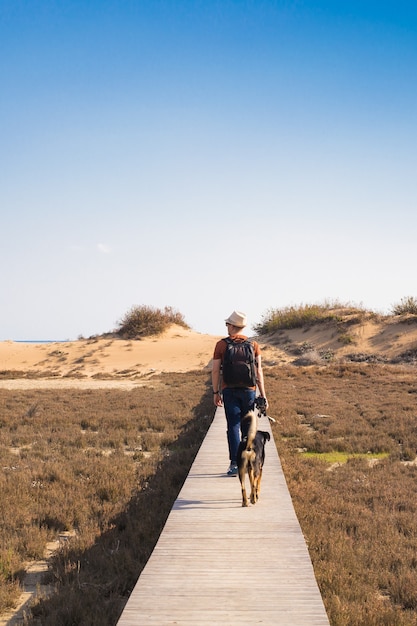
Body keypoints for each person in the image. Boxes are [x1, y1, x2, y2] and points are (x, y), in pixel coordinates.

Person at [212, 310, 268, 476]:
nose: (226, 327)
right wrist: (263, 395)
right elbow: (258, 372)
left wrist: (216, 392)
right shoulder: (253, 345)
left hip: (229, 391)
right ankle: (249, 460)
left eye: (227, 324)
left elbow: (215, 371)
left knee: (233, 427)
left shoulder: (221, 345)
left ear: (232, 326)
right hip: (249, 391)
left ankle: (235, 464)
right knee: (248, 428)